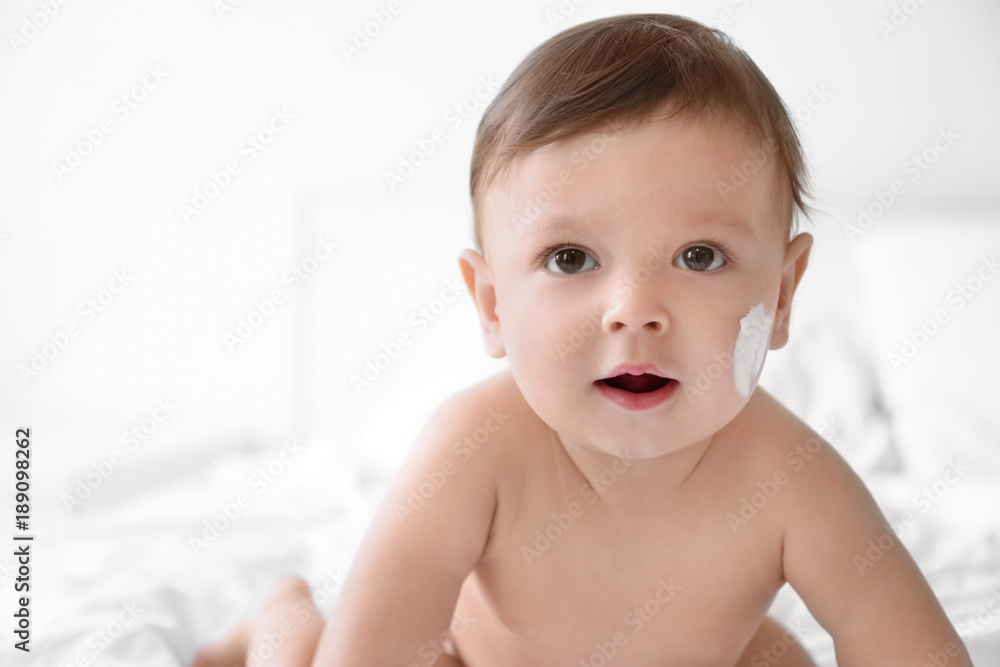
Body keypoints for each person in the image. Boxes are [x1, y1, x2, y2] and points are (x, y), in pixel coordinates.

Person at [192, 13, 972, 666]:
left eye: (698, 256)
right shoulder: (475, 447)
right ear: (493, 305)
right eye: (570, 259)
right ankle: (279, 610)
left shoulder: (794, 477)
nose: (633, 311)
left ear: (781, 293)